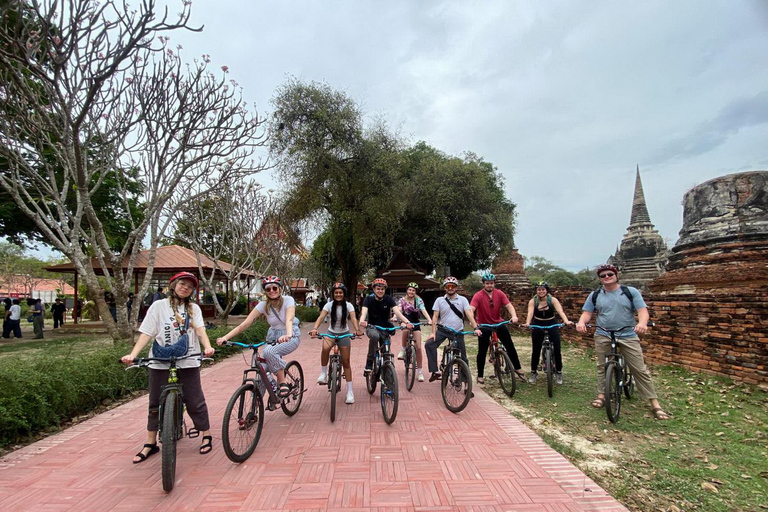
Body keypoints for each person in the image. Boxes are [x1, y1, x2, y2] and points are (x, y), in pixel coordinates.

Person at [121, 272, 216, 462]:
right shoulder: (158, 306)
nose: (185, 288)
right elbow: (147, 333)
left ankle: (206, 434)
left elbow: (200, 330)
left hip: (188, 358)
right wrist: (133, 354)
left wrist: (207, 347)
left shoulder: (193, 308)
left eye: (190, 287)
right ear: (173, 285)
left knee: (195, 400)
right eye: (182, 284)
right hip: (160, 360)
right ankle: (150, 443)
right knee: (155, 403)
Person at [576, 264, 670, 420]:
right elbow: (587, 313)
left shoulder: (630, 292)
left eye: (610, 274)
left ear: (616, 275)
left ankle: (655, 403)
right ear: (599, 279)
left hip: (627, 334)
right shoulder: (595, 295)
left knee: (639, 368)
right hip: (603, 333)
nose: (607, 277)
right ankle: (602, 394)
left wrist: (641, 323)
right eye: (603, 275)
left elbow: (642, 311)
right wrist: (581, 323)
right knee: (602, 366)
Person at [216, 276, 301, 398]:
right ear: (265, 292)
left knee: (269, 351)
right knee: (262, 368)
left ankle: (282, 382)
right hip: (273, 336)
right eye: (268, 289)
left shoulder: (288, 300)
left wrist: (288, 334)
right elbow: (244, 324)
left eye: (274, 288)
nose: (271, 291)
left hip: (290, 335)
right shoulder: (263, 305)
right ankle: (257, 404)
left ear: (280, 289)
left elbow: (289, 318)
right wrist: (225, 337)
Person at [309, 282, 363, 404]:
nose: (338, 294)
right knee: (325, 349)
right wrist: (315, 328)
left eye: (341, 292)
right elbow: (321, 317)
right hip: (331, 333)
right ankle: (323, 373)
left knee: (346, 362)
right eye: (336, 292)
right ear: (333, 294)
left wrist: (358, 330)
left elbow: (353, 318)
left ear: (344, 294)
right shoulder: (328, 305)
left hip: (344, 333)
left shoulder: (349, 305)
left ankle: (350, 392)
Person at [425, 277, 482, 382]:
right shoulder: (439, 300)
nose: (450, 288)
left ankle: (465, 382)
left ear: (456, 288)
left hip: (457, 332)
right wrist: (433, 333)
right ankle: (435, 371)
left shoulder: (463, 300)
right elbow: (435, 317)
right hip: (443, 330)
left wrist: (476, 328)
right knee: (429, 344)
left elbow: (469, 314)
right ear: (445, 288)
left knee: (462, 357)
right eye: (448, 286)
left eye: (452, 286)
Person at [470, 272, 524, 384]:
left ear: (494, 284)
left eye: (491, 283)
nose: (489, 285)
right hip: (484, 325)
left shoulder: (499, 293)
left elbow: (509, 305)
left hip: (498, 323)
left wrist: (514, 316)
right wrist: (474, 324)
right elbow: (471, 310)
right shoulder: (478, 295)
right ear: (483, 284)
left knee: (509, 345)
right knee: (482, 350)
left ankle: (517, 368)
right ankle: (480, 375)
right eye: (487, 283)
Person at [522, 281, 573, 385]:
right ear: (536, 291)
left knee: (557, 348)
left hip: (551, 323)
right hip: (537, 324)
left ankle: (558, 372)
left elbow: (560, 311)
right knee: (536, 349)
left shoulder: (552, 300)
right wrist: (528, 323)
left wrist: (566, 321)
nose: (541, 292)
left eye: (543, 289)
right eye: (539, 290)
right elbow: (530, 312)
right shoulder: (533, 301)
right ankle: (533, 372)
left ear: (547, 290)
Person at [359, 278, 412, 375]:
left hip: (385, 328)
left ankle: (388, 383)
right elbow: (364, 312)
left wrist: (407, 322)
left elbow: (397, 312)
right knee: (375, 337)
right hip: (372, 327)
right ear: (374, 289)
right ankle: (369, 362)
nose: (380, 291)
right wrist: (362, 320)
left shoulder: (389, 299)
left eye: (382, 289)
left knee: (386, 354)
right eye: (378, 289)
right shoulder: (368, 299)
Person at [396, 282, 432, 382]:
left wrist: (430, 320)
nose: (411, 292)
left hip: (416, 323)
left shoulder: (418, 300)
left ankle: (420, 372)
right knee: (405, 329)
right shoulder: (402, 300)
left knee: (419, 348)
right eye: (410, 289)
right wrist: (395, 317)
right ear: (407, 290)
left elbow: (423, 310)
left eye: (413, 290)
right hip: (405, 321)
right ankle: (403, 349)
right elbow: (398, 310)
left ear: (415, 292)